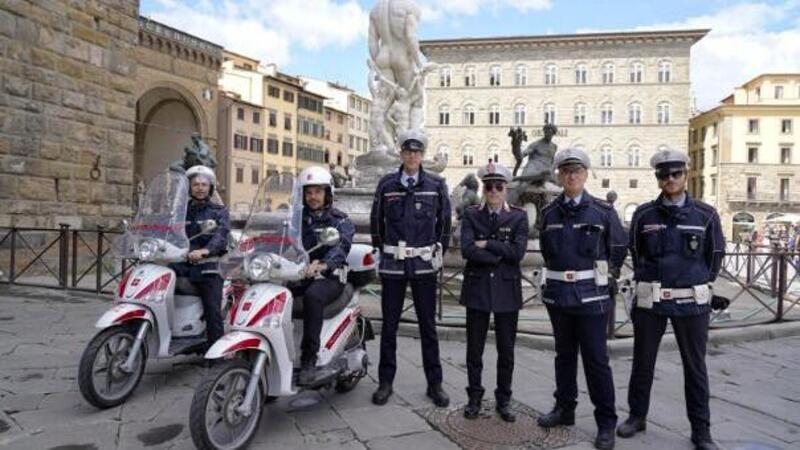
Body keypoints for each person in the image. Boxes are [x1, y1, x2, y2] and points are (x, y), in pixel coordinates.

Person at [616, 148, 725, 450]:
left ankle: (701, 430)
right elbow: (636, 251)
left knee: (695, 367)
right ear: (657, 178)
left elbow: (715, 255)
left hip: (691, 302)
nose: (670, 179)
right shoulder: (643, 214)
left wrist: (698, 281)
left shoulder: (706, 214)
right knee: (642, 362)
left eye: (675, 173)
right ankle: (637, 416)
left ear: (685, 175)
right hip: (651, 300)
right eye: (663, 175)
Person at [537, 148, 627, 450]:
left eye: (576, 171)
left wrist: (607, 276)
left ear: (586, 174)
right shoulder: (549, 213)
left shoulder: (602, 211)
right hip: (560, 296)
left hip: (592, 298)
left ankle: (606, 422)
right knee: (563, 356)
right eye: (565, 171)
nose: (571, 176)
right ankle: (565, 409)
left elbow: (618, 248)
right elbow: (550, 254)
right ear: (559, 176)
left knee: (596, 360)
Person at [370, 129, 452, 407]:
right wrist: (382, 249)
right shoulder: (387, 185)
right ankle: (385, 382)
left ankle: (435, 384)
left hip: (423, 267)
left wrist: (438, 249)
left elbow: (445, 222)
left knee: (428, 327)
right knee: (389, 327)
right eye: (408, 151)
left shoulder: (436, 185)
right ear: (401, 154)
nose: (412, 156)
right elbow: (375, 223)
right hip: (393, 266)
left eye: (417, 152)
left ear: (422, 155)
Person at [460, 162, 528, 422]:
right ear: (484, 188)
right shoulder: (471, 214)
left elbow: (518, 253)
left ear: (506, 188)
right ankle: (474, 397)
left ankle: (504, 400)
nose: (494, 191)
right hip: (477, 288)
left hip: (506, 291)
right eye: (489, 186)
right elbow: (467, 249)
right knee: (474, 350)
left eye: (499, 186)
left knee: (506, 351)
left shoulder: (519, 216)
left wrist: (488, 244)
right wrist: (499, 255)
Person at [290, 166, 355, 385]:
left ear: (327, 194)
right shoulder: (295, 220)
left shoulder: (340, 220)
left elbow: (341, 246)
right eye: (308, 192)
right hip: (299, 274)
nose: (313, 197)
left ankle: (309, 358)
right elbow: (281, 241)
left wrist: (324, 264)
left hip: (331, 277)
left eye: (318, 191)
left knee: (313, 297)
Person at [170, 165, 230, 348]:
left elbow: (222, 236)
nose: (200, 188)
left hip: (208, 265)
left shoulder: (219, 211)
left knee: (212, 307)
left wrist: (205, 251)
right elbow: (169, 231)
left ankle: (215, 349)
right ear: (189, 187)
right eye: (196, 184)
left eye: (204, 184)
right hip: (182, 262)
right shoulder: (180, 210)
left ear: (210, 187)